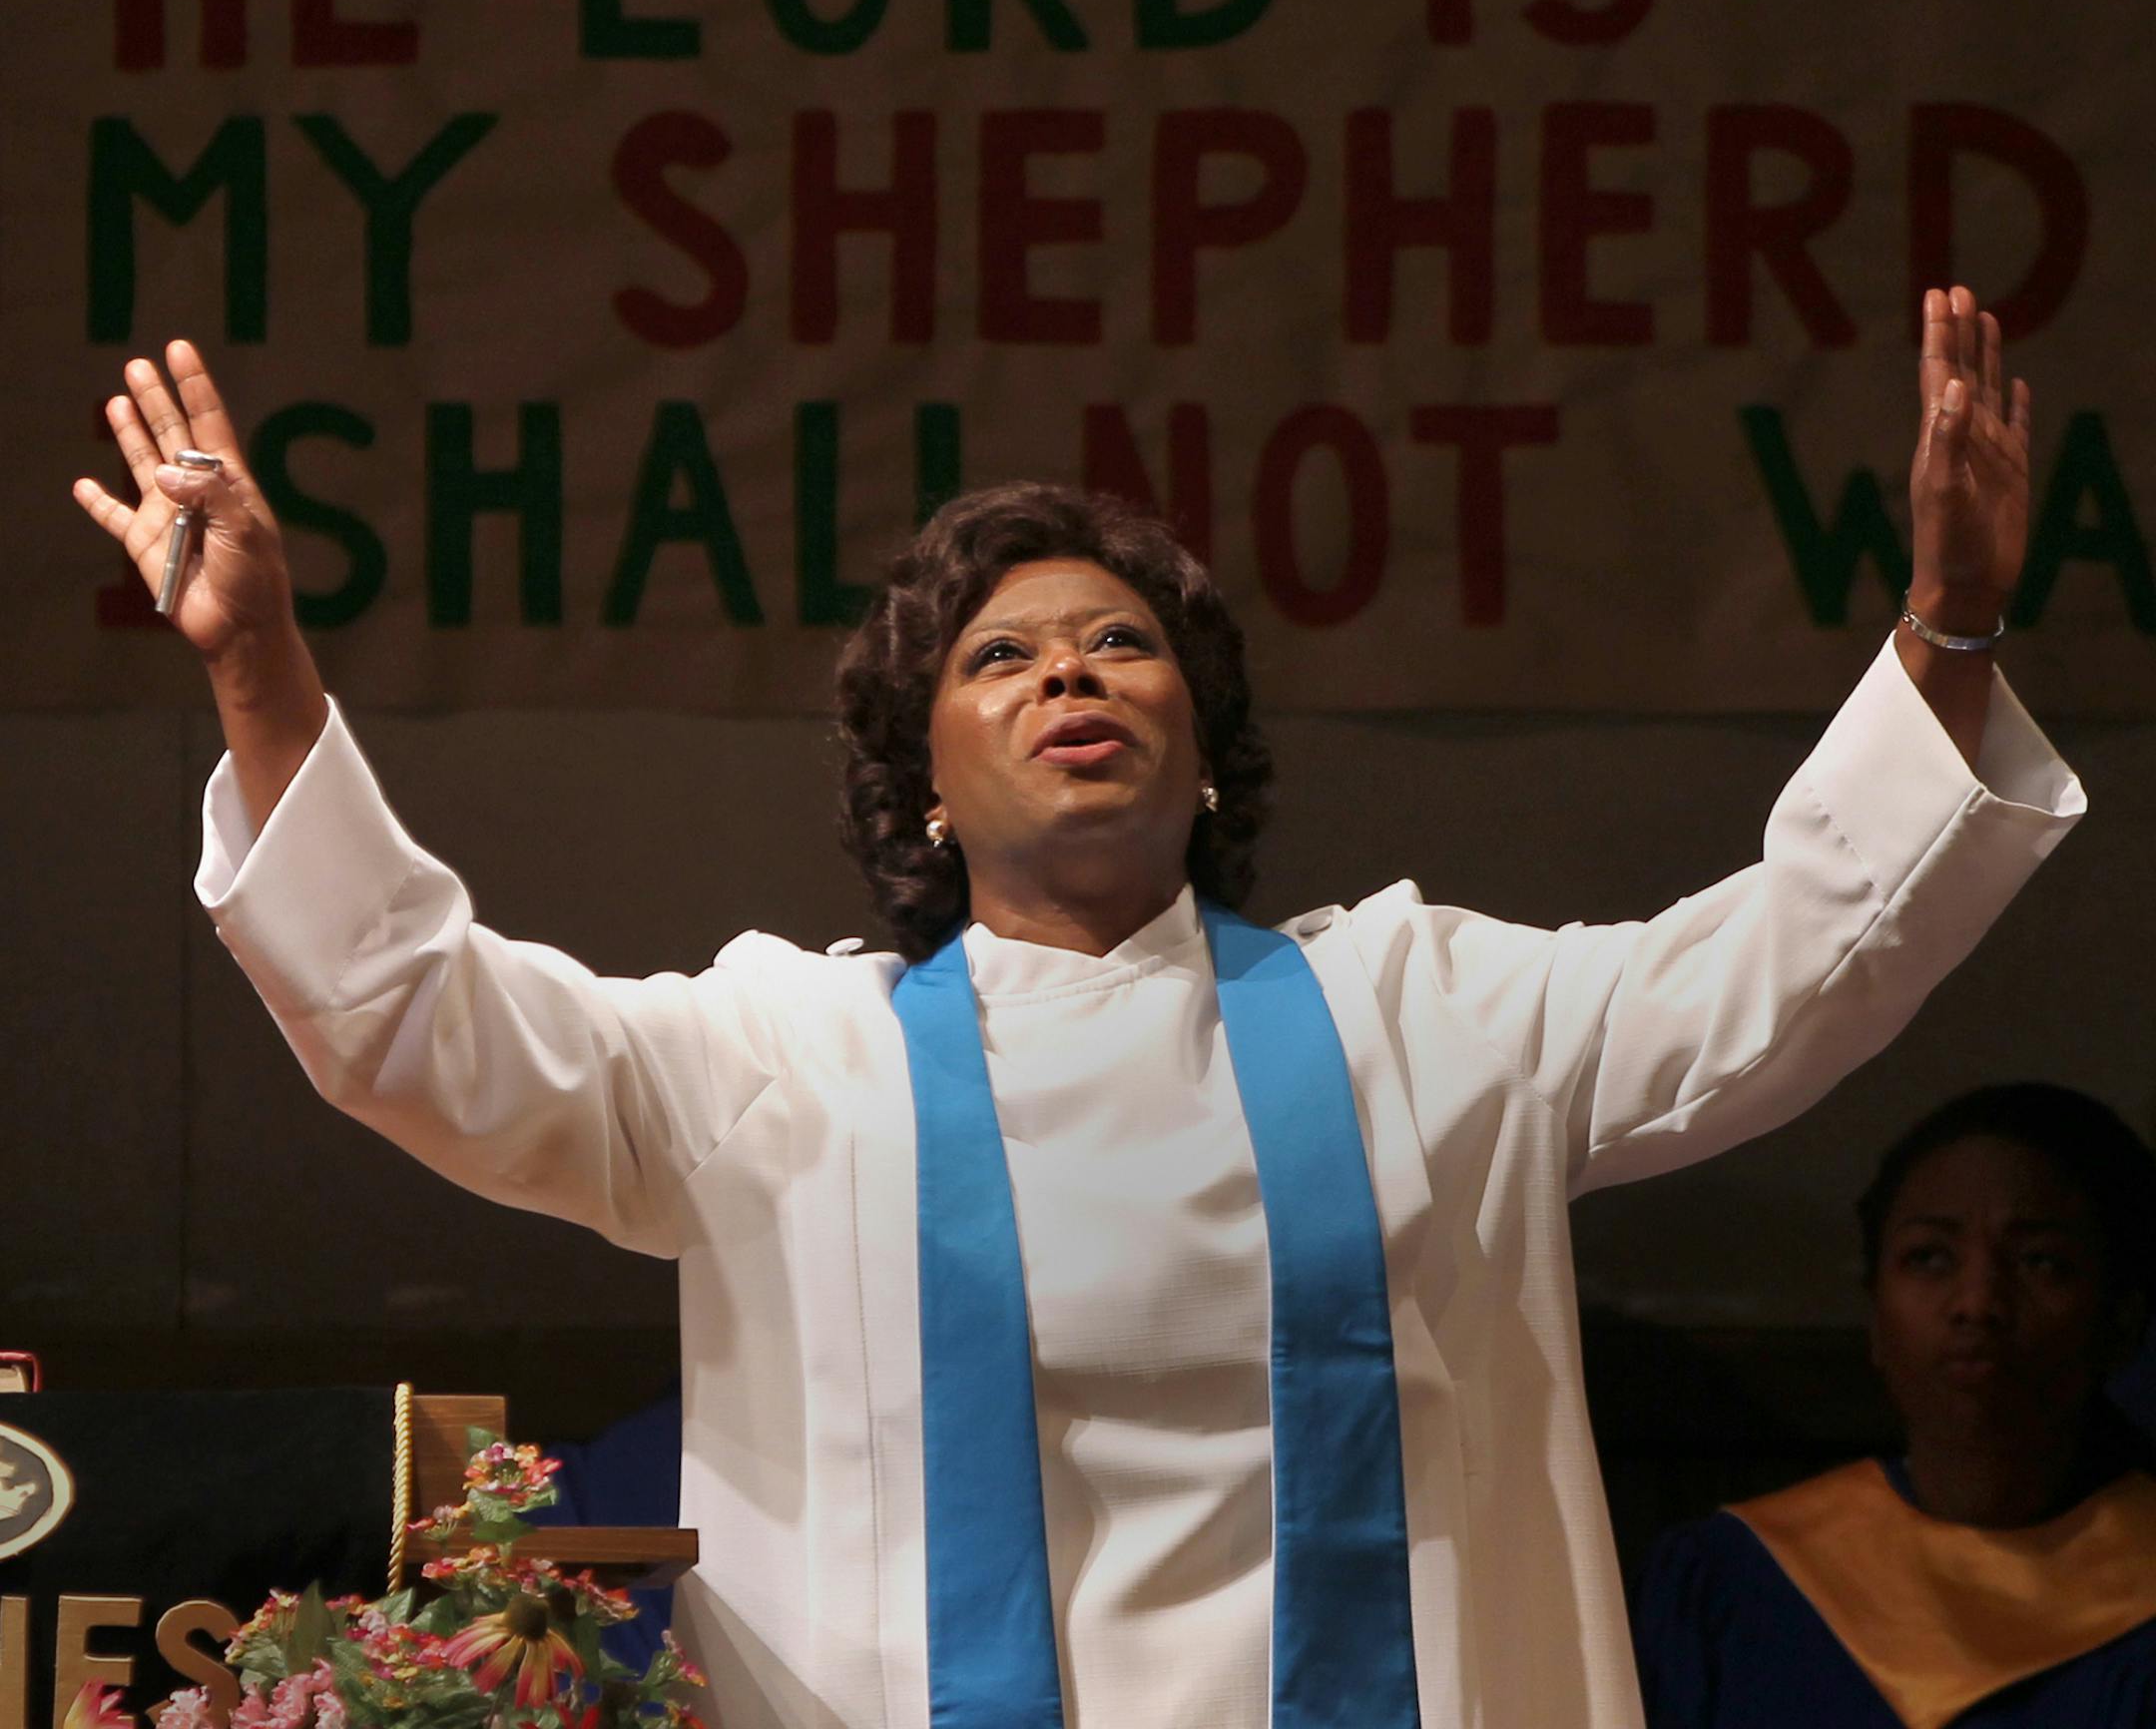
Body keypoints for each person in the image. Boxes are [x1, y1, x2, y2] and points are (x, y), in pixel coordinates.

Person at [72, 289, 2083, 1729]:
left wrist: (1950, 625)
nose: (1069, 674)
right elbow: (416, 1021)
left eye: (1122, 643)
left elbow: (1792, 961)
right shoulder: (785, 1062)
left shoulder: (1427, 1014)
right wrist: (261, 671)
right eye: (1003, 655)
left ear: (1203, 752)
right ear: (926, 784)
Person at [1630, 1084, 2156, 1727]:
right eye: (1929, 1257)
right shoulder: (1730, 1581)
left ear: (2121, 1323)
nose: (1977, 1303)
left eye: (2040, 1261)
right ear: (1875, 1317)